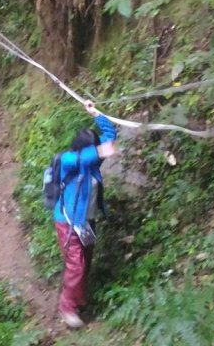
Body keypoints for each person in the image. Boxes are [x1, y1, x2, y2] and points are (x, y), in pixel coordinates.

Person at [52, 101, 118, 329]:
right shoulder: (68, 163)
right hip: (67, 223)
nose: (98, 155)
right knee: (76, 264)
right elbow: (70, 158)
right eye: (93, 151)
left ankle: (79, 300)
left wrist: (96, 113)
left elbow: (111, 135)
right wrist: (98, 151)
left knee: (84, 262)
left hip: (86, 222)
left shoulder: (92, 162)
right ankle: (67, 307)